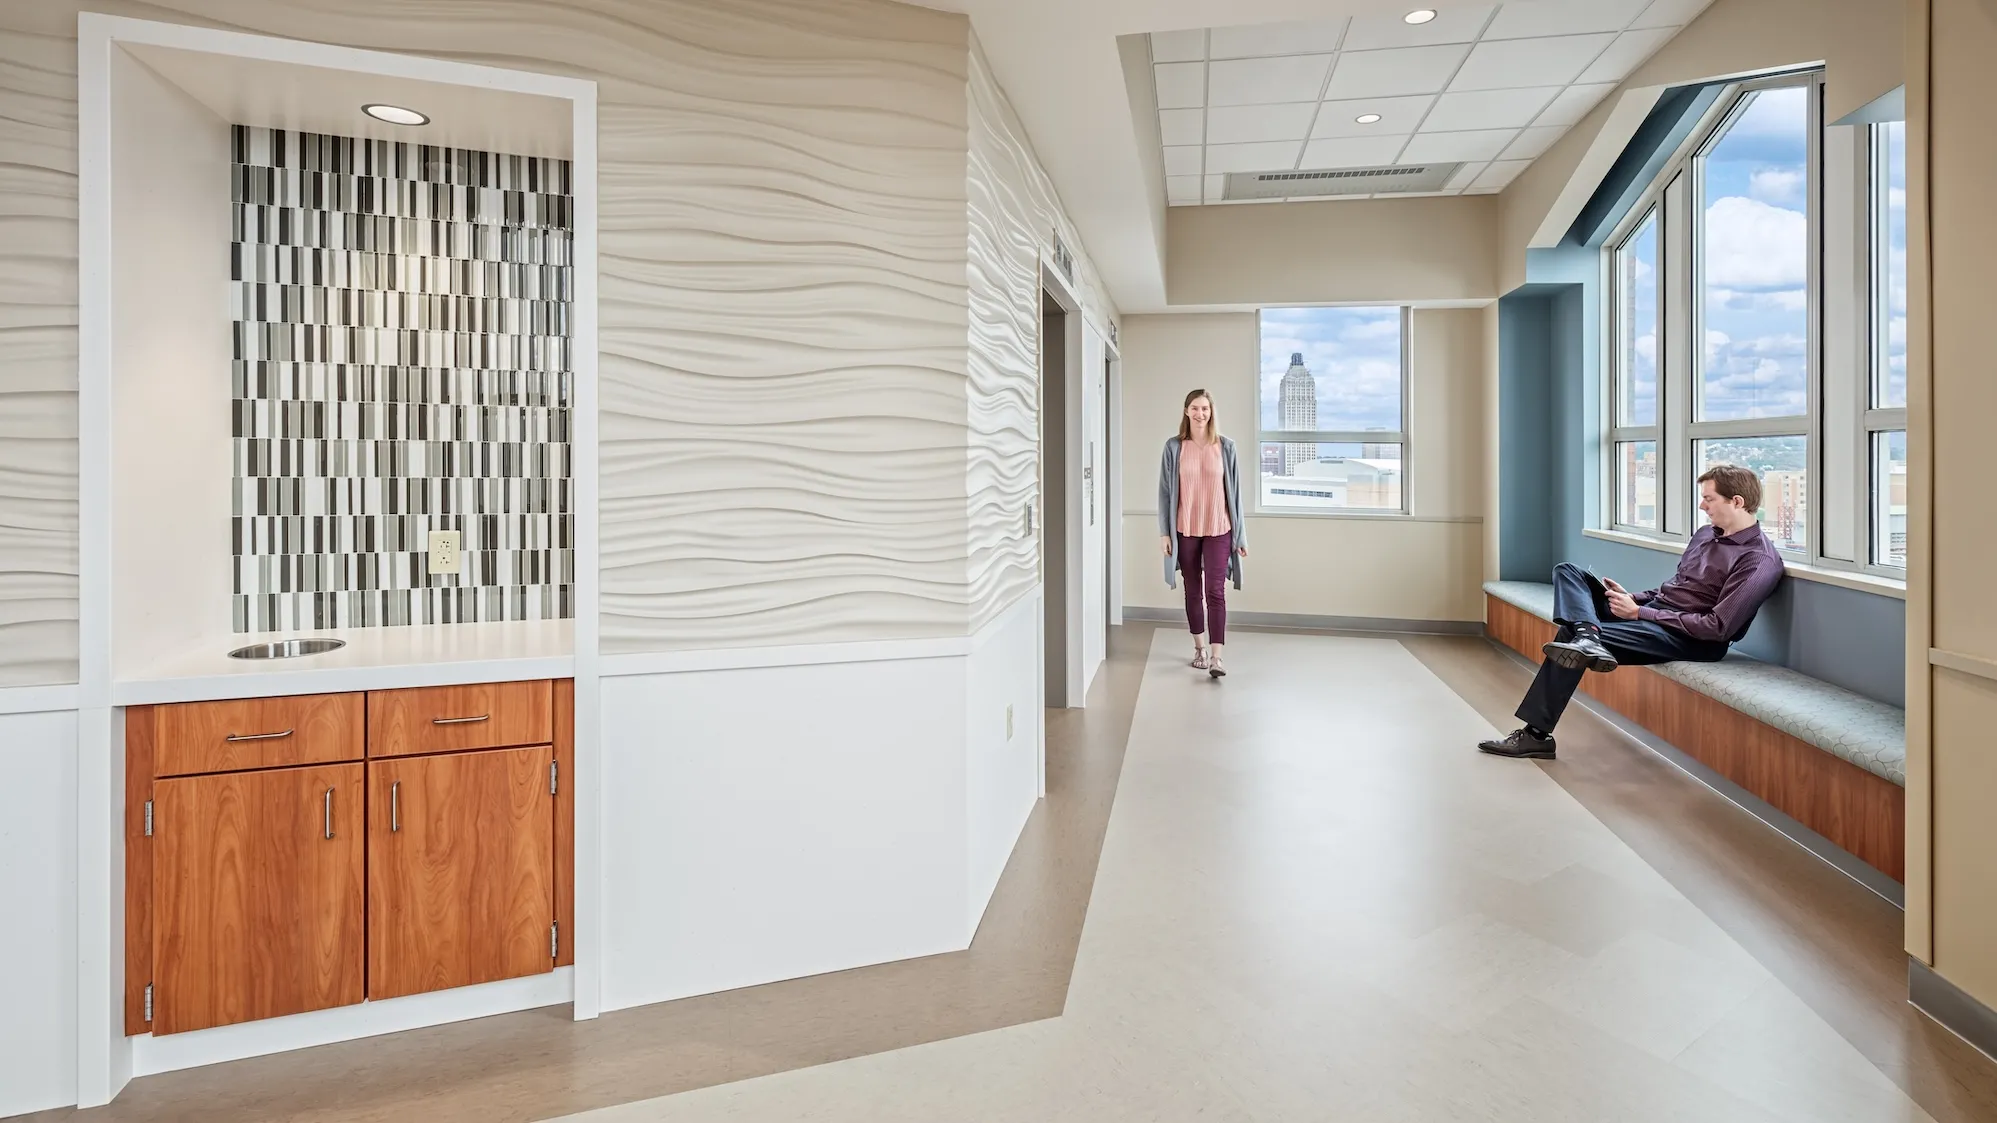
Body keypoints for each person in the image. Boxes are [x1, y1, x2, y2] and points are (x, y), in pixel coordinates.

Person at [1479, 464, 1785, 759]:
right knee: (1569, 572)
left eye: (1709, 498)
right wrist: (1632, 598)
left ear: (1738, 502)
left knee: (1570, 635)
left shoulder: (1758, 560)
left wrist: (1640, 613)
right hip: (1655, 613)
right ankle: (1588, 636)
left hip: (1691, 638)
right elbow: (1675, 587)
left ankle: (1537, 733)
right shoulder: (1705, 534)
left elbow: (1718, 627)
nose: (1702, 506)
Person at [1158, 389, 1247, 678]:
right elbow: (1165, 493)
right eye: (1195, 408)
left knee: (1215, 592)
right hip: (1185, 529)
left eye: (1205, 409)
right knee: (1193, 591)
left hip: (1219, 529)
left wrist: (1240, 535)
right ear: (1186, 411)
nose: (1200, 414)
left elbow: (1236, 494)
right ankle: (1199, 648)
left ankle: (1217, 657)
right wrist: (1165, 533)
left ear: (1212, 412)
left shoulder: (1226, 446)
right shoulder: (1174, 447)